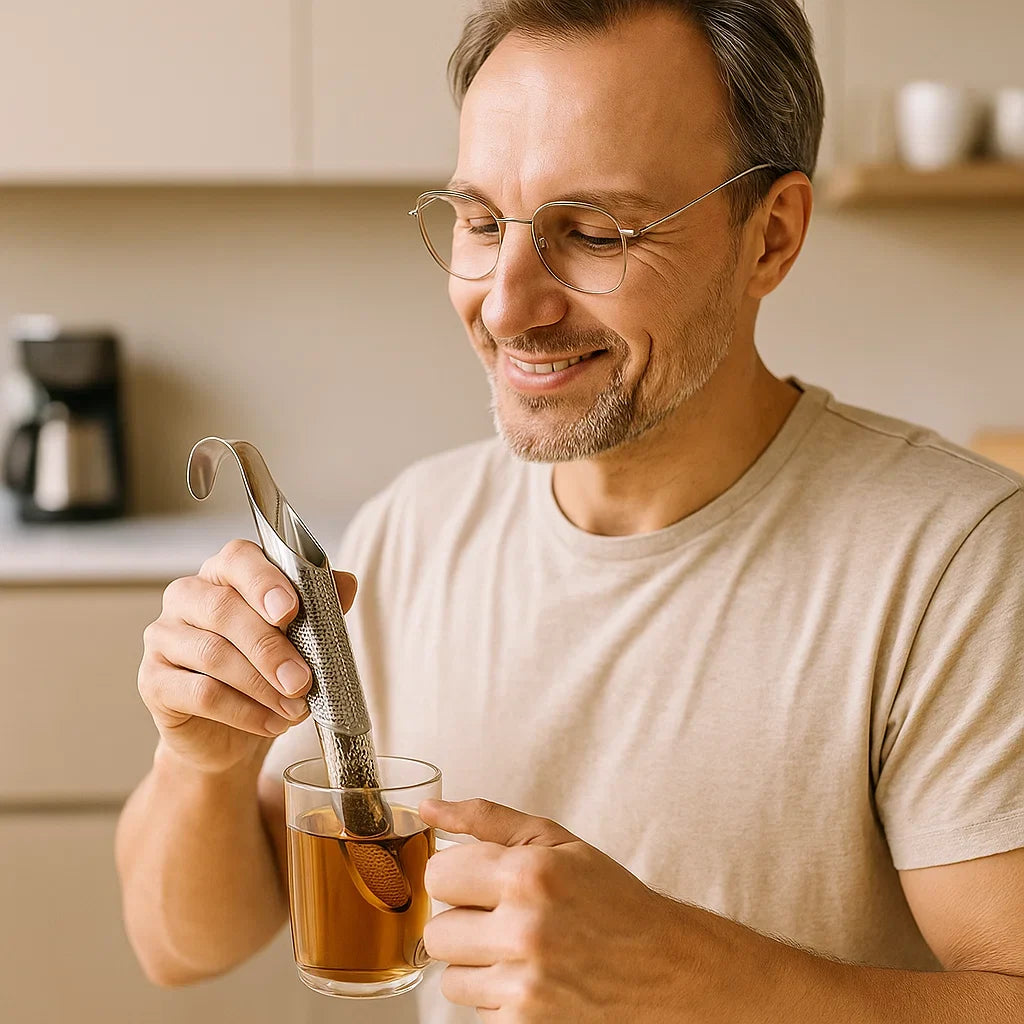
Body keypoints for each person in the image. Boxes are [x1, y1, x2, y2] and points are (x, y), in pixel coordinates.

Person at [116, 1, 1024, 1021]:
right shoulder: (413, 531)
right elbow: (180, 944)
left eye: (592, 232)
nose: (506, 304)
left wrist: (702, 981)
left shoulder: (957, 562)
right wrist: (199, 757)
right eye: (477, 221)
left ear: (769, 238)